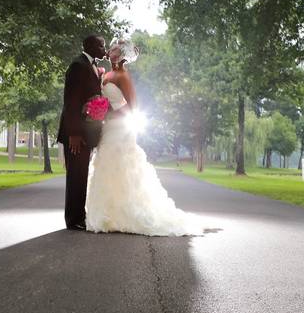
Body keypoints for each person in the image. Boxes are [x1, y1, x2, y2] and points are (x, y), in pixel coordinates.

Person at [85, 37, 200, 236]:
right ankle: (107, 214)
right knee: (105, 165)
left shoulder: (123, 76)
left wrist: (109, 109)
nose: (110, 51)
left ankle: (125, 213)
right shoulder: (107, 73)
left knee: (121, 166)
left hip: (121, 129)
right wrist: (99, 109)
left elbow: (133, 107)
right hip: (107, 127)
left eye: (113, 49)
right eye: (111, 48)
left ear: (121, 56)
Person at [57, 35, 106, 230]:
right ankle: (73, 220)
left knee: (81, 174)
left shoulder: (91, 65)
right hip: (76, 135)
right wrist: (74, 134)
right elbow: (71, 102)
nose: (103, 49)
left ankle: (80, 216)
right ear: (91, 47)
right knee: (76, 176)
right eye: (101, 46)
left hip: (86, 132)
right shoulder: (78, 66)